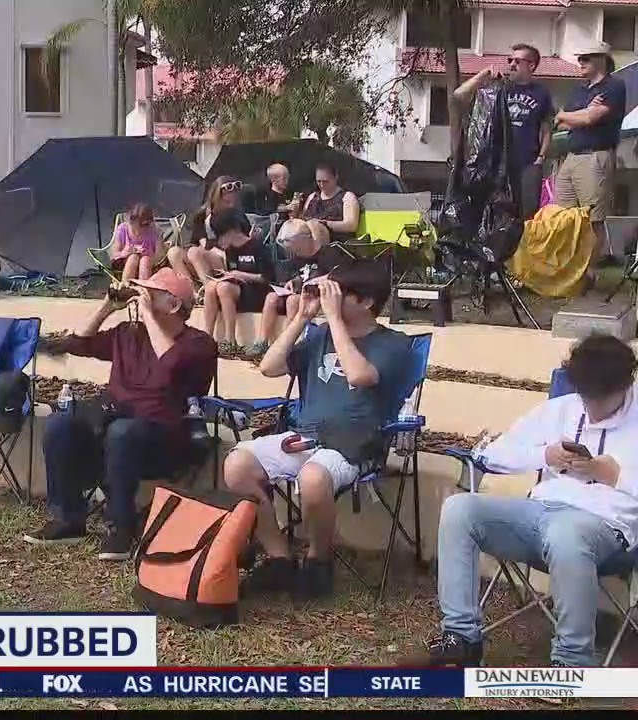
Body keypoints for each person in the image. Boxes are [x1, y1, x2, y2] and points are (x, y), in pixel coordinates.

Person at [418, 334, 638, 668]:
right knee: (461, 509)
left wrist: (613, 475)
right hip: (539, 513)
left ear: (626, 384)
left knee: (567, 533)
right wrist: (546, 455)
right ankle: (461, 637)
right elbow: (493, 455)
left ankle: (573, 661)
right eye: (585, 397)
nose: (591, 409)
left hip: (604, 526)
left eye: (600, 398)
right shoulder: (562, 409)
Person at [222, 260, 412, 599]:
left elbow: (359, 376)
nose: (329, 300)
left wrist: (335, 322)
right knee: (237, 465)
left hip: (354, 445)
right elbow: (268, 367)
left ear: (367, 302)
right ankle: (279, 556)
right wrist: (301, 318)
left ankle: (318, 561)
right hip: (304, 437)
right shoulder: (317, 335)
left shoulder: (393, 343)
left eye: (337, 293)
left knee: (313, 478)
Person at [24, 268, 217, 561]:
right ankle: (68, 520)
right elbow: (79, 343)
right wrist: (107, 307)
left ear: (175, 305)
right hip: (114, 427)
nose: (142, 298)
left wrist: (149, 316)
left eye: (151, 293)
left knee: (123, 432)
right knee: (60, 424)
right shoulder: (129, 333)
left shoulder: (199, 344)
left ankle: (121, 529)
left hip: (164, 440)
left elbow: (168, 365)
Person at [454, 44, 554, 221]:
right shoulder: (499, 88)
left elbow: (546, 129)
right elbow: (459, 96)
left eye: (517, 60)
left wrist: (541, 158)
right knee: (498, 215)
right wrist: (484, 74)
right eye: (510, 60)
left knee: (527, 216)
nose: (511, 64)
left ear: (531, 65)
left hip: (528, 164)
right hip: (498, 165)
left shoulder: (542, 93)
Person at [555, 42, 627, 282]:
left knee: (593, 219)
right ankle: (567, 270)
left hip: (596, 156)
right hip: (572, 156)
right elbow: (563, 123)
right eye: (580, 58)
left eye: (585, 58)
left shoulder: (614, 86)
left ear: (601, 59)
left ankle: (587, 273)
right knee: (563, 217)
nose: (581, 63)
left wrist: (580, 115)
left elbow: (590, 118)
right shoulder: (580, 90)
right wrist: (579, 114)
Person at [250, 219, 348, 359]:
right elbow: (300, 275)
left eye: (294, 247)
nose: (292, 251)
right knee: (271, 297)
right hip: (299, 292)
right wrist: (293, 281)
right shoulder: (298, 257)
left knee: (293, 301)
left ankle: (287, 344)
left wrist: (314, 281)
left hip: (315, 297)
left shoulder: (328, 254)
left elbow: (337, 274)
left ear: (304, 240)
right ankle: (261, 342)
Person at [201, 209, 275, 354]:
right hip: (237, 292)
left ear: (229, 232)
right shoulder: (230, 251)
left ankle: (230, 340)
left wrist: (240, 274)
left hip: (257, 292)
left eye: (219, 239)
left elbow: (267, 278)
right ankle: (207, 337)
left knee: (224, 288)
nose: (219, 244)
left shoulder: (257, 246)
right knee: (211, 287)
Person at [169, 175, 246, 281]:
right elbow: (203, 243)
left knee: (194, 252)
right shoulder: (202, 216)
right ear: (217, 194)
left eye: (235, 193)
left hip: (228, 258)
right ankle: (192, 291)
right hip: (204, 256)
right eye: (228, 193)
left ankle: (208, 288)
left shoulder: (238, 216)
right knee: (174, 252)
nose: (233, 196)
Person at [300, 163, 360, 243]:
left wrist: (327, 224)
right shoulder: (312, 197)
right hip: (311, 244)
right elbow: (303, 218)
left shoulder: (347, 197)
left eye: (325, 181)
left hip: (337, 243)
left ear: (336, 178)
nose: (322, 185)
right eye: (319, 181)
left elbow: (352, 225)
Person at [109, 203, 161, 282]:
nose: (137, 233)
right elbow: (114, 254)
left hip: (149, 264)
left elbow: (160, 256)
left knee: (145, 260)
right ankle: (126, 287)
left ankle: (144, 289)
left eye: (141, 229)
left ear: (148, 224)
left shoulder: (153, 231)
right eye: (134, 229)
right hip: (125, 265)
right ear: (130, 222)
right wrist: (125, 252)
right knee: (133, 257)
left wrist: (148, 254)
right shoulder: (123, 229)